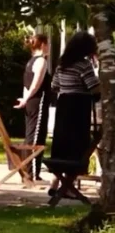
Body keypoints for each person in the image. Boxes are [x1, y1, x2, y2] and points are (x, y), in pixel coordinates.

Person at [50, 31, 100, 184]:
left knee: (62, 141)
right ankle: (69, 184)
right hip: (79, 106)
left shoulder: (62, 64)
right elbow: (94, 88)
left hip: (63, 104)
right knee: (77, 144)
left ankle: (56, 182)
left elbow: (54, 86)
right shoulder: (84, 65)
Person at [14, 33, 51, 180]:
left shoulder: (30, 61)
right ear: (42, 44)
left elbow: (26, 84)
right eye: (47, 44)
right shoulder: (41, 61)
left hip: (31, 101)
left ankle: (33, 171)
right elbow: (35, 84)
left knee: (34, 134)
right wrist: (27, 99)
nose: (48, 47)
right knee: (35, 136)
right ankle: (31, 172)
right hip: (38, 101)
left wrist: (25, 98)